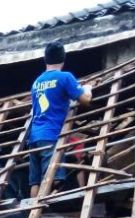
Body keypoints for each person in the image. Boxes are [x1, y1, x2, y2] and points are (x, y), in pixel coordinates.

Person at [28, 41, 92, 198]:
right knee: (53, 180)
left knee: (35, 182)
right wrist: (88, 89)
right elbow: (85, 100)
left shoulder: (36, 83)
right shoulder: (65, 77)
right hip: (51, 136)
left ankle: (30, 213)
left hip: (34, 137)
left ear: (45, 59)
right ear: (63, 58)